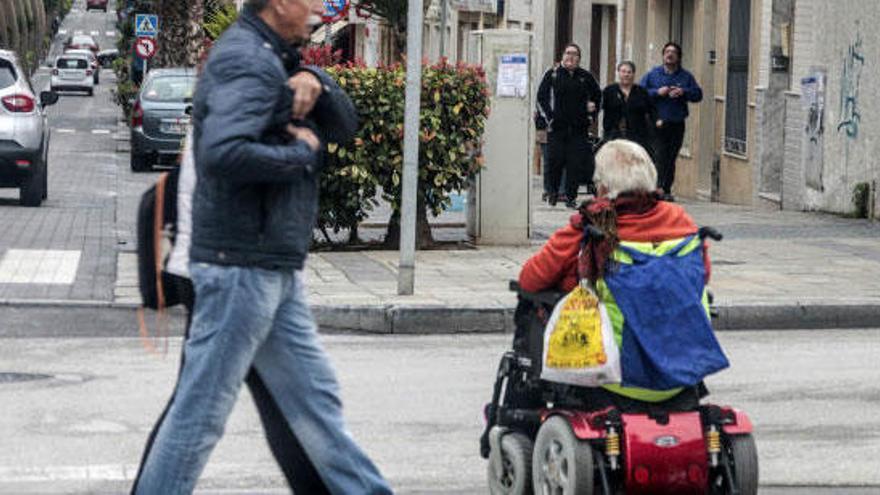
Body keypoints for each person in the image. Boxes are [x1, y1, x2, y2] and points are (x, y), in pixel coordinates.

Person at [132, 0, 393, 493]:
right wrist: (300, 155)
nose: (319, 7)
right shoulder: (245, 59)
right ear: (278, 4)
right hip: (239, 268)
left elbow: (343, 123)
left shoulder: (277, 57)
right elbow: (224, 152)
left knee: (316, 409)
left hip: (269, 265)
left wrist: (319, 80)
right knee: (199, 418)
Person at [130, 129, 330, 494]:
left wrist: (318, 85)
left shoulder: (242, 83)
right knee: (270, 408)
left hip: (222, 265)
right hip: (231, 270)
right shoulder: (247, 81)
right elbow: (242, 161)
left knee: (272, 406)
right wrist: (305, 151)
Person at [518, 139, 715, 409]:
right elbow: (702, 276)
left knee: (536, 305)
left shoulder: (592, 226)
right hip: (683, 375)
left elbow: (530, 278)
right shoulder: (682, 222)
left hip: (614, 379)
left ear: (603, 187)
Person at [537, 43, 602, 209]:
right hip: (557, 127)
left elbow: (597, 96)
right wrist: (549, 117)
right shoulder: (553, 74)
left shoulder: (586, 76)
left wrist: (591, 116)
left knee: (575, 163)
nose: (570, 57)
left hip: (579, 128)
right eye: (568, 53)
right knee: (555, 161)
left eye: (575, 54)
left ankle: (570, 197)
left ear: (579, 59)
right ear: (562, 56)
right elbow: (541, 97)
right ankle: (553, 192)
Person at [640, 42, 703, 200]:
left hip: (676, 122)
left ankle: (666, 189)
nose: (670, 55)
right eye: (667, 52)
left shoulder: (685, 76)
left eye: (673, 52)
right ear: (663, 55)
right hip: (656, 122)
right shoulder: (653, 74)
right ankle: (657, 188)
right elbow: (639, 93)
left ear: (678, 57)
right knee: (659, 154)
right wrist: (657, 92)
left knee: (671, 156)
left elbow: (698, 94)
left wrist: (684, 92)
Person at [602, 61, 657, 158]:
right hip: (613, 136)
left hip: (637, 136)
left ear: (633, 74)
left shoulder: (641, 92)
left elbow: (652, 110)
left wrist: (657, 121)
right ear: (618, 73)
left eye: (629, 72)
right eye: (623, 71)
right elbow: (598, 106)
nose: (626, 75)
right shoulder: (609, 91)